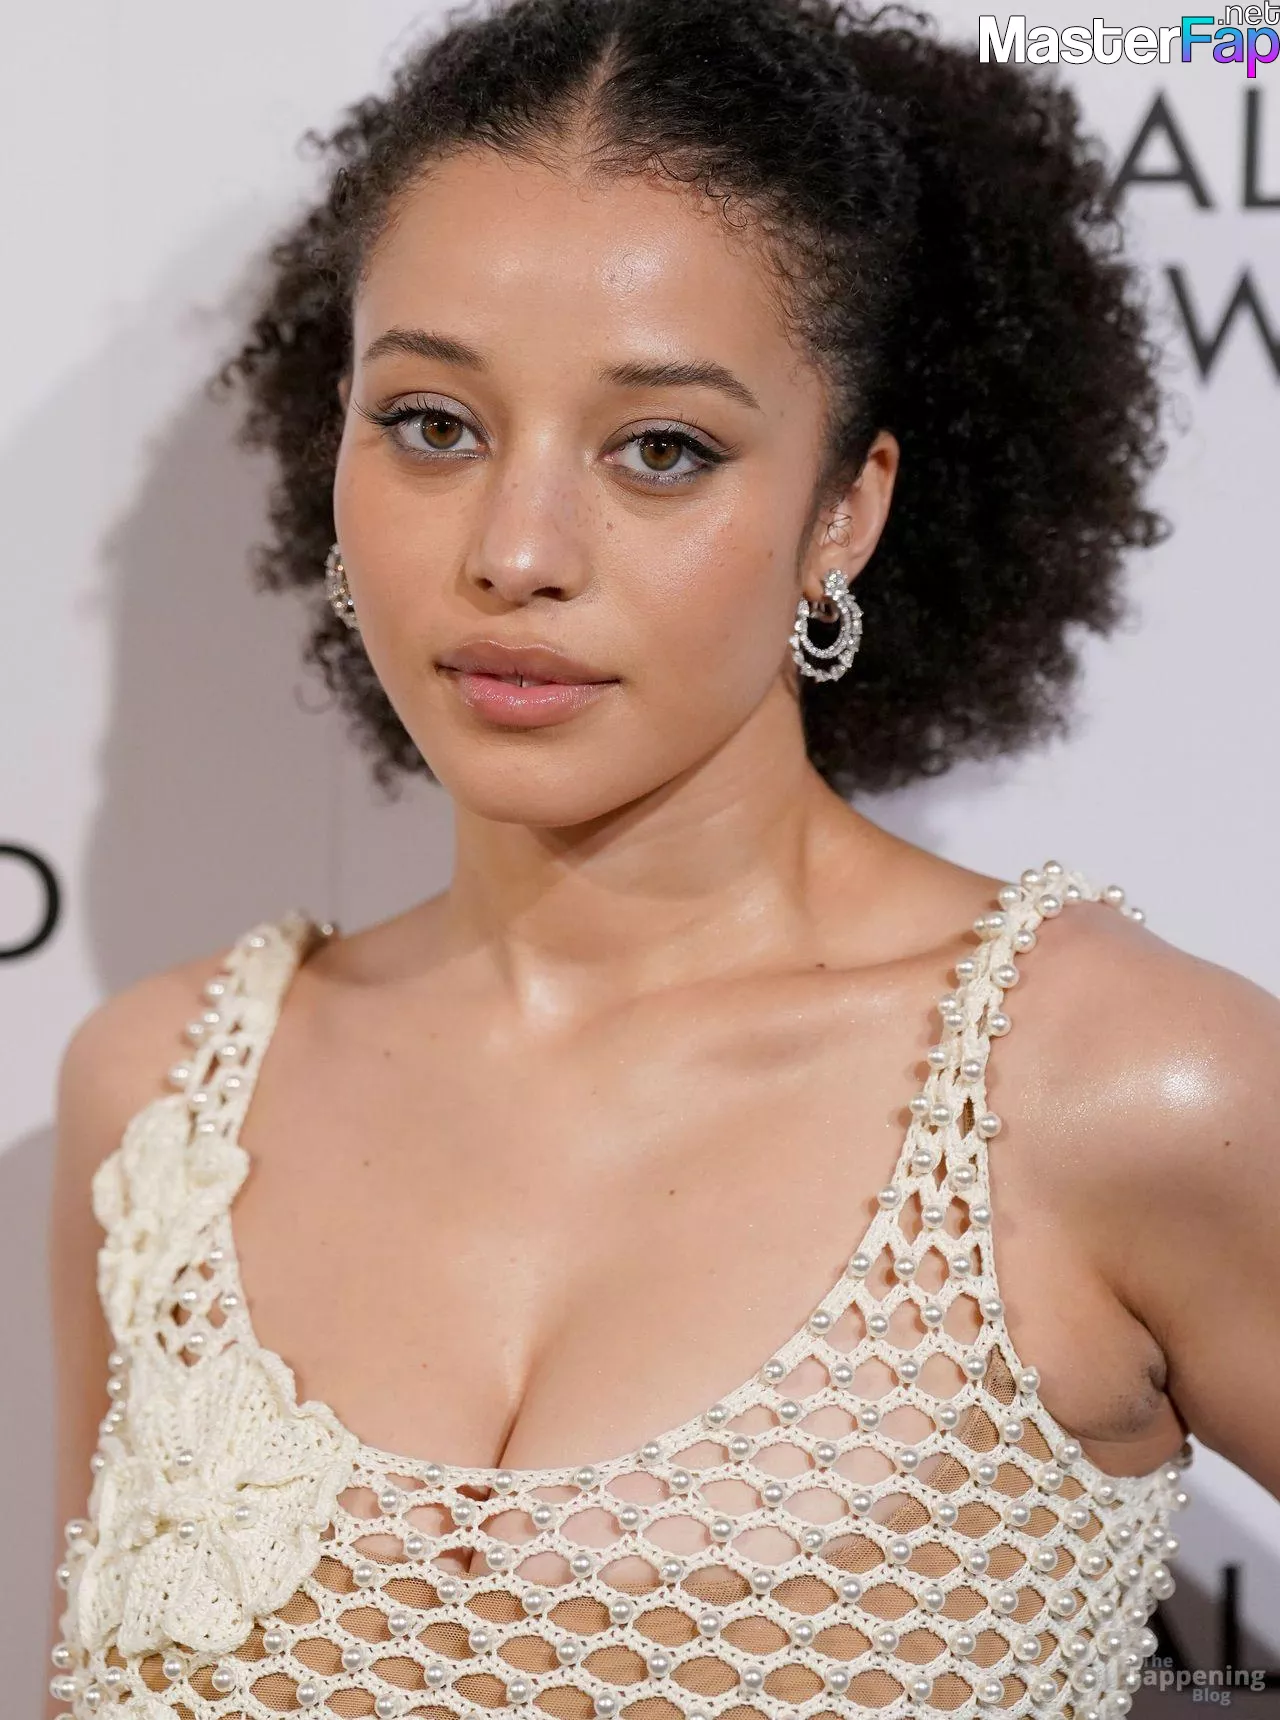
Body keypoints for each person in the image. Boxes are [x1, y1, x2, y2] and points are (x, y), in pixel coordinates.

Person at [44, 1, 1280, 1716]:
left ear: (844, 510)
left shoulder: (1124, 1093)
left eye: (662, 450)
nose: (516, 551)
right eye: (432, 423)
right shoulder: (161, 1102)